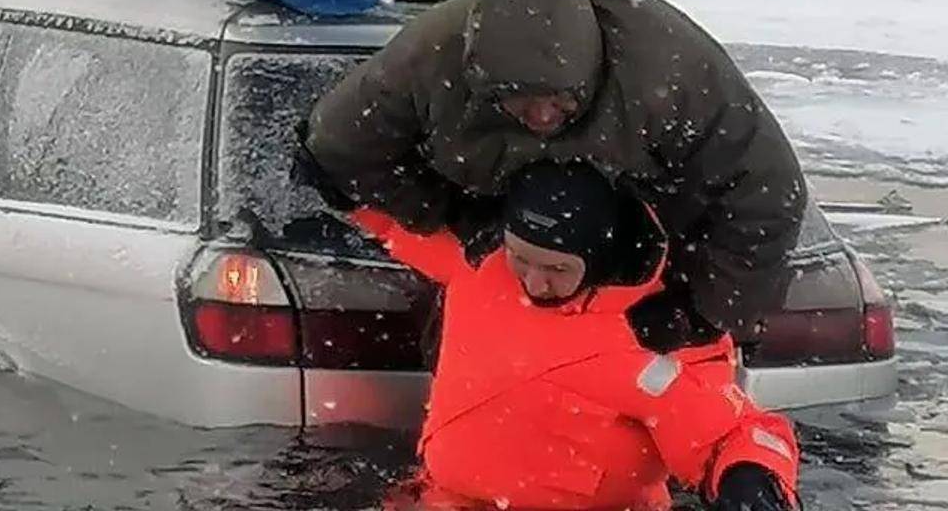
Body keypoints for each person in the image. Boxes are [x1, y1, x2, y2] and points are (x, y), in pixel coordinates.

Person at [301, 0, 808, 351]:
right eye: (520, 102)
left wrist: (702, 311)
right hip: (490, 328)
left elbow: (766, 193)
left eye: (560, 99)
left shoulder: (669, 75)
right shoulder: (429, 61)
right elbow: (344, 145)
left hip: (656, 276)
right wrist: (458, 217)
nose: (542, 117)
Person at [341, 160, 800, 511]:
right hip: (439, 499)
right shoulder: (482, 264)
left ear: (598, 258)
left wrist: (752, 476)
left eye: (557, 269)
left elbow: (739, 431)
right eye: (522, 257)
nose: (533, 282)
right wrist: (342, 183)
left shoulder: (657, 332)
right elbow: (395, 223)